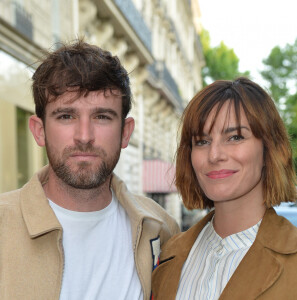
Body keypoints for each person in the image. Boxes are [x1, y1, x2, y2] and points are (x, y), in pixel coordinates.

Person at [0, 40, 179, 300]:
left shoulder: (160, 229)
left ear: (125, 132)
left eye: (102, 117)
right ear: (39, 131)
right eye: (66, 116)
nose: (84, 136)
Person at [151, 77, 297, 300]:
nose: (215, 155)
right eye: (202, 141)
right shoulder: (168, 253)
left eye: (235, 137)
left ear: (271, 149)